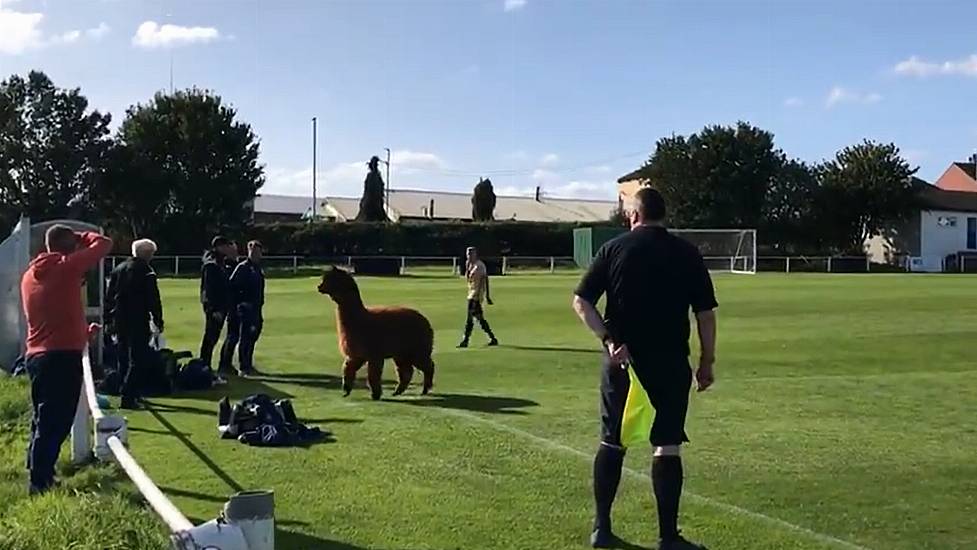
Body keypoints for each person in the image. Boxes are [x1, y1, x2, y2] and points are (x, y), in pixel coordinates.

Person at [571, 187, 718, 550]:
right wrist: (706, 362)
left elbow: (581, 301)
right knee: (667, 446)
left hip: (623, 362)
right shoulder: (686, 253)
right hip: (670, 362)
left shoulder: (614, 249)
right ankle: (668, 536)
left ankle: (601, 529)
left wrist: (607, 340)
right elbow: (705, 314)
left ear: (633, 216)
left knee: (612, 441)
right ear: (662, 215)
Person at [21, 225, 112, 494]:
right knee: (56, 422)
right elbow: (104, 243)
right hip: (61, 357)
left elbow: (54, 313)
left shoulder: (30, 275)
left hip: (38, 355)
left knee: (42, 419)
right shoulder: (66, 267)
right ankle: (40, 483)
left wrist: (83, 334)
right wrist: (81, 236)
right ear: (70, 246)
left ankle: (37, 471)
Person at [105, 238, 163, 409]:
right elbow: (153, 298)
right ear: (147, 254)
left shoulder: (119, 269)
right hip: (137, 318)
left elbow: (109, 296)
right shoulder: (146, 271)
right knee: (138, 358)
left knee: (123, 356)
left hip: (119, 318)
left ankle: (126, 389)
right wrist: (158, 319)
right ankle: (129, 395)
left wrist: (108, 318)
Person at [224, 240, 266, 376]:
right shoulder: (243, 268)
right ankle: (243, 366)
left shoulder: (258, 268)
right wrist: (239, 304)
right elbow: (232, 288)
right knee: (245, 337)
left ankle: (248, 363)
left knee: (253, 336)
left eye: (258, 251)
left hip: (256, 308)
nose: (255, 254)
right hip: (244, 309)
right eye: (253, 251)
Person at [199, 236, 236, 374]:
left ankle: (205, 365)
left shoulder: (219, 262)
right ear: (219, 247)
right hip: (215, 307)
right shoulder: (212, 265)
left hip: (220, 306)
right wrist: (213, 309)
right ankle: (204, 365)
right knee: (210, 337)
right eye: (226, 246)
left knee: (212, 336)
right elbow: (209, 290)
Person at [457, 246, 498, 348]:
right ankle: (492, 338)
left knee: (470, 319)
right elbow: (468, 279)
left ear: (475, 254)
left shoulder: (480, 266)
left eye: (471, 254)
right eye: (468, 254)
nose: (469, 256)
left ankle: (465, 340)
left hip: (476, 295)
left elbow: (485, 280)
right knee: (479, 319)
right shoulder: (469, 265)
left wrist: (487, 295)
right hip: (471, 293)